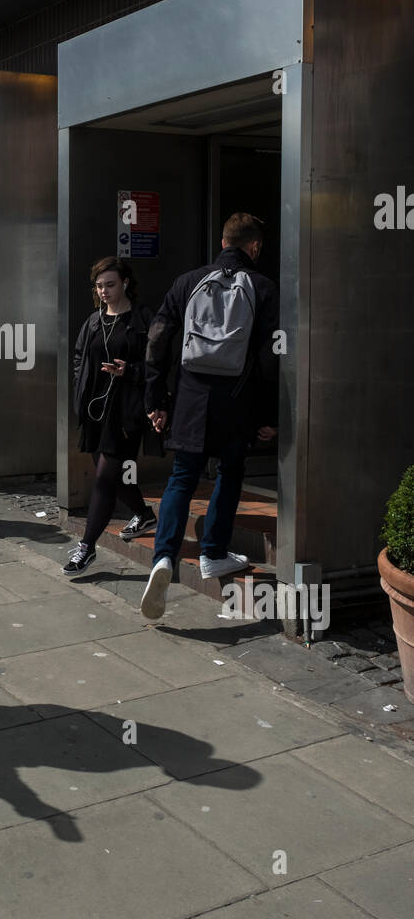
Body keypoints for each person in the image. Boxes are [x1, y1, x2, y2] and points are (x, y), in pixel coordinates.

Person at [140, 213, 280, 621]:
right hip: (236, 401)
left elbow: (157, 340)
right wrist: (268, 414)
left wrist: (156, 400)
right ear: (253, 247)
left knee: (183, 477)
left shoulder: (187, 283)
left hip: (190, 398)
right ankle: (213, 554)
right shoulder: (264, 287)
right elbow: (271, 356)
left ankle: (164, 558)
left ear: (223, 242)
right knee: (230, 471)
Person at [63, 257, 158, 575]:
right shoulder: (93, 321)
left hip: (126, 411)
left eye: (110, 284)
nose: (104, 291)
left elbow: (158, 364)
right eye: (99, 285)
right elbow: (79, 355)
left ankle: (87, 548)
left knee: (104, 479)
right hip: (95, 411)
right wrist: (80, 387)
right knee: (112, 478)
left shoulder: (143, 319)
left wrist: (128, 371)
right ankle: (144, 515)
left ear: (126, 283)